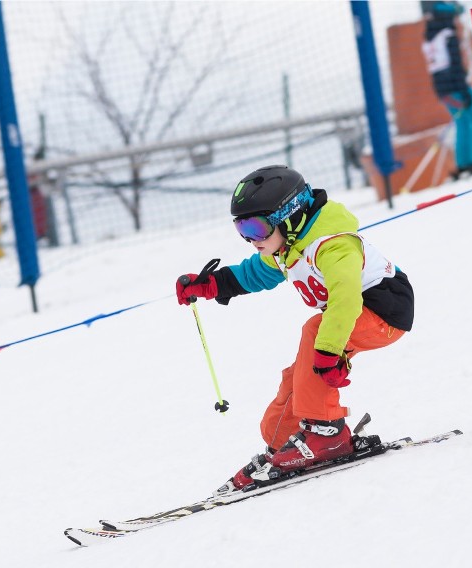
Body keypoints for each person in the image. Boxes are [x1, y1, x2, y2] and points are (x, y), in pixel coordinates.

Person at [175, 165, 414, 495]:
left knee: (316, 335)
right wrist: (211, 285)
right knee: (300, 375)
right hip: (349, 316)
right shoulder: (288, 246)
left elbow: (346, 300)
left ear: (289, 216)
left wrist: (329, 351)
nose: (249, 239)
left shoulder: (333, 245)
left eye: (256, 227)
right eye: (241, 228)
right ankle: (284, 441)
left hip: (385, 310)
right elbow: (254, 274)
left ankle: (327, 433)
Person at [421, 1, 472, 177]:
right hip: (456, 87)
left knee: (462, 122)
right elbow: (454, 66)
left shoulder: (430, 36)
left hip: (443, 90)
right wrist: (463, 91)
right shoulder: (447, 34)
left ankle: (464, 163)